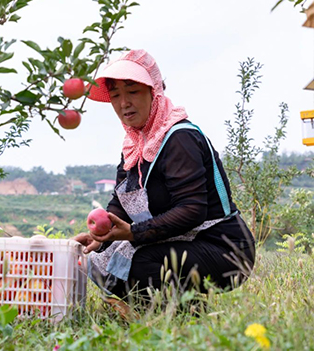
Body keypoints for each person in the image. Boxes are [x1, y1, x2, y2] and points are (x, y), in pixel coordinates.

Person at [73, 49, 255, 304]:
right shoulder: (135, 144)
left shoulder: (179, 138)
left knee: (138, 261)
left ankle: (187, 317)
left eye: (133, 92)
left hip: (224, 248)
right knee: (102, 262)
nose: (124, 103)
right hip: (182, 243)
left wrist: (134, 233)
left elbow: (193, 210)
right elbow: (120, 205)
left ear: (154, 91)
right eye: (115, 95)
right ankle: (158, 315)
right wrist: (99, 238)